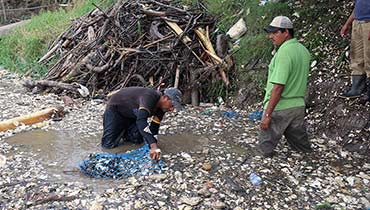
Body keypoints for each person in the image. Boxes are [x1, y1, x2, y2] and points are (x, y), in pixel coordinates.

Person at [259, 16, 312, 157]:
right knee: (301, 149)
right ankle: (309, 167)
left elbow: (278, 86)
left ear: (286, 32)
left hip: (280, 108)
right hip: (298, 107)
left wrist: (268, 115)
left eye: (275, 32)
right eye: (270, 33)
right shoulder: (303, 51)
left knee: (265, 149)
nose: (271, 36)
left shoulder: (284, 52)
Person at [101, 87, 182, 161]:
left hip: (132, 114)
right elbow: (141, 121)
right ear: (165, 98)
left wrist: (154, 146)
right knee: (108, 145)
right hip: (115, 110)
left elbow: (154, 127)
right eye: (172, 105)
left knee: (137, 140)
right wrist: (153, 146)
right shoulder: (149, 97)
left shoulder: (162, 108)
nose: (171, 109)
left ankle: (124, 134)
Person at [340, 0, 370, 102]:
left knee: (369, 56)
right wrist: (348, 23)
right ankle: (357, 87)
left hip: (368, 23)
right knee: (356, 56)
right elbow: (357, 8)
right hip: (357, 22)